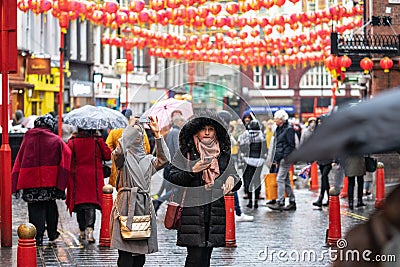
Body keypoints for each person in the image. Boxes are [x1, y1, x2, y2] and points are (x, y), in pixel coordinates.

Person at [166, 112, 242, 267]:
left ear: (217, 131)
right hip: (192, 212)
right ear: (196, 131)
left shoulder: (222, 153)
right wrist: (192, 170)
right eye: (203, 129)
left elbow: (235, 176)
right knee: (195, 258)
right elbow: (172, 175)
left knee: (206, 257)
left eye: (211, 129)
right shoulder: (186, 151)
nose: (207, 132)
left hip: (214, 212)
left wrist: (232, 179)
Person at [110, 116, 170, 267]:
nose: (137, 136)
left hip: (142, 206)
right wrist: (130, 127)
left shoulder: (149, 160)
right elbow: (119, 151)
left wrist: (157, 135)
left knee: (140, 253)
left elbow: (165, 160)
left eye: (140, 134)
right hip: (125, 206)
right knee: (125, 253)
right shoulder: (122, 159)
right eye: (133, 134)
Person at [12, 114, 72, 246]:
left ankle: (37, 236)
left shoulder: (28, 138)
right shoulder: (56, 140)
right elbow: (67, 156)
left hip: (30, 180)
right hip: (49, 180)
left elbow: (19, 158)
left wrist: (15, 182)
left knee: (34, 208)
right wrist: (61, 184)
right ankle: (52, 233)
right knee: (50, 206)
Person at [66, 128, 112, 242]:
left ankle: (82, 230)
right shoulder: (97, 140)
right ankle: (90, 230)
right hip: (93, 177)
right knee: (91, 203)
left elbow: (67, 157)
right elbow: (108, 155)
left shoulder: (72, 142)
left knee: (80, 204)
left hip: (77, 176)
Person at [217, 110, 253, 222]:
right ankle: (237, 212)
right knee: (232, 187)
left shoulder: (219, 131)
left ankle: (234, 211)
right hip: (225, 164)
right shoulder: (222, 132)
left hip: (222, 164)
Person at [106, 110, 151, 187]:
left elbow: (108, 147)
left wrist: (116, 153)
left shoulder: (114, 131)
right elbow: (147, 149)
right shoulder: (140, 130)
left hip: (118, 169)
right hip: (136, 167)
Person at [152, 114, 186, 213]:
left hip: (169, 164)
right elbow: (177, 150)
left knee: (169, 187)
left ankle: (164, 204)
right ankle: (159, 201)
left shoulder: (171, 132)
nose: (183, 123)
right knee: (176, 189)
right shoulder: (176, 132)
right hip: (175, 165)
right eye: (182, 121)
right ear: (178, 122)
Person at [267, 109, 297, 211]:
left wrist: (284, 156)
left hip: (285, 158)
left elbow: (291, 145)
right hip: (281, 158)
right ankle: (292, 201)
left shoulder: (288, 129)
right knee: (286, 180)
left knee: (280, 179)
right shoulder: (279, 129)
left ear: (282, 119)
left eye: (276, 118)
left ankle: (281, 201)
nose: (274, 120)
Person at [238, 119, 267, 209]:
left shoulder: (245, 136)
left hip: (247, 160)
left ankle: (250, 201)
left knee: (248, 180)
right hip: (259, 161)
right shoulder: (262, 136)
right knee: (257, 179)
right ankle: (256, 201)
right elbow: (265, 149)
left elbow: (242, 148)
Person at [312, 115, 332, 207]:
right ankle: (329, 198)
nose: (320, 124)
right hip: (320, 159)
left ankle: (321, 197)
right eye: (318, 122)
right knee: (325, 179)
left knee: (324, 177)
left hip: (328, 158)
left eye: (321, 122)